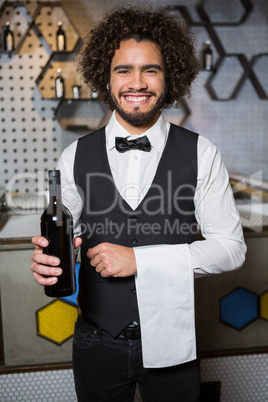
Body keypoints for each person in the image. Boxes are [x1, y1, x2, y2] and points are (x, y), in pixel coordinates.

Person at [30, 6, 246, 402]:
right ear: (105, 77)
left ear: (170, 77)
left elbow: (231, 250)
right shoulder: (74, 156)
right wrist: (50, 262)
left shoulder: (202, 153)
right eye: (123, 70)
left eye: (151, 69)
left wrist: (140, 260)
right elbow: (69, 242)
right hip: (95, 344)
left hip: (174, 345)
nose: (137, 82)